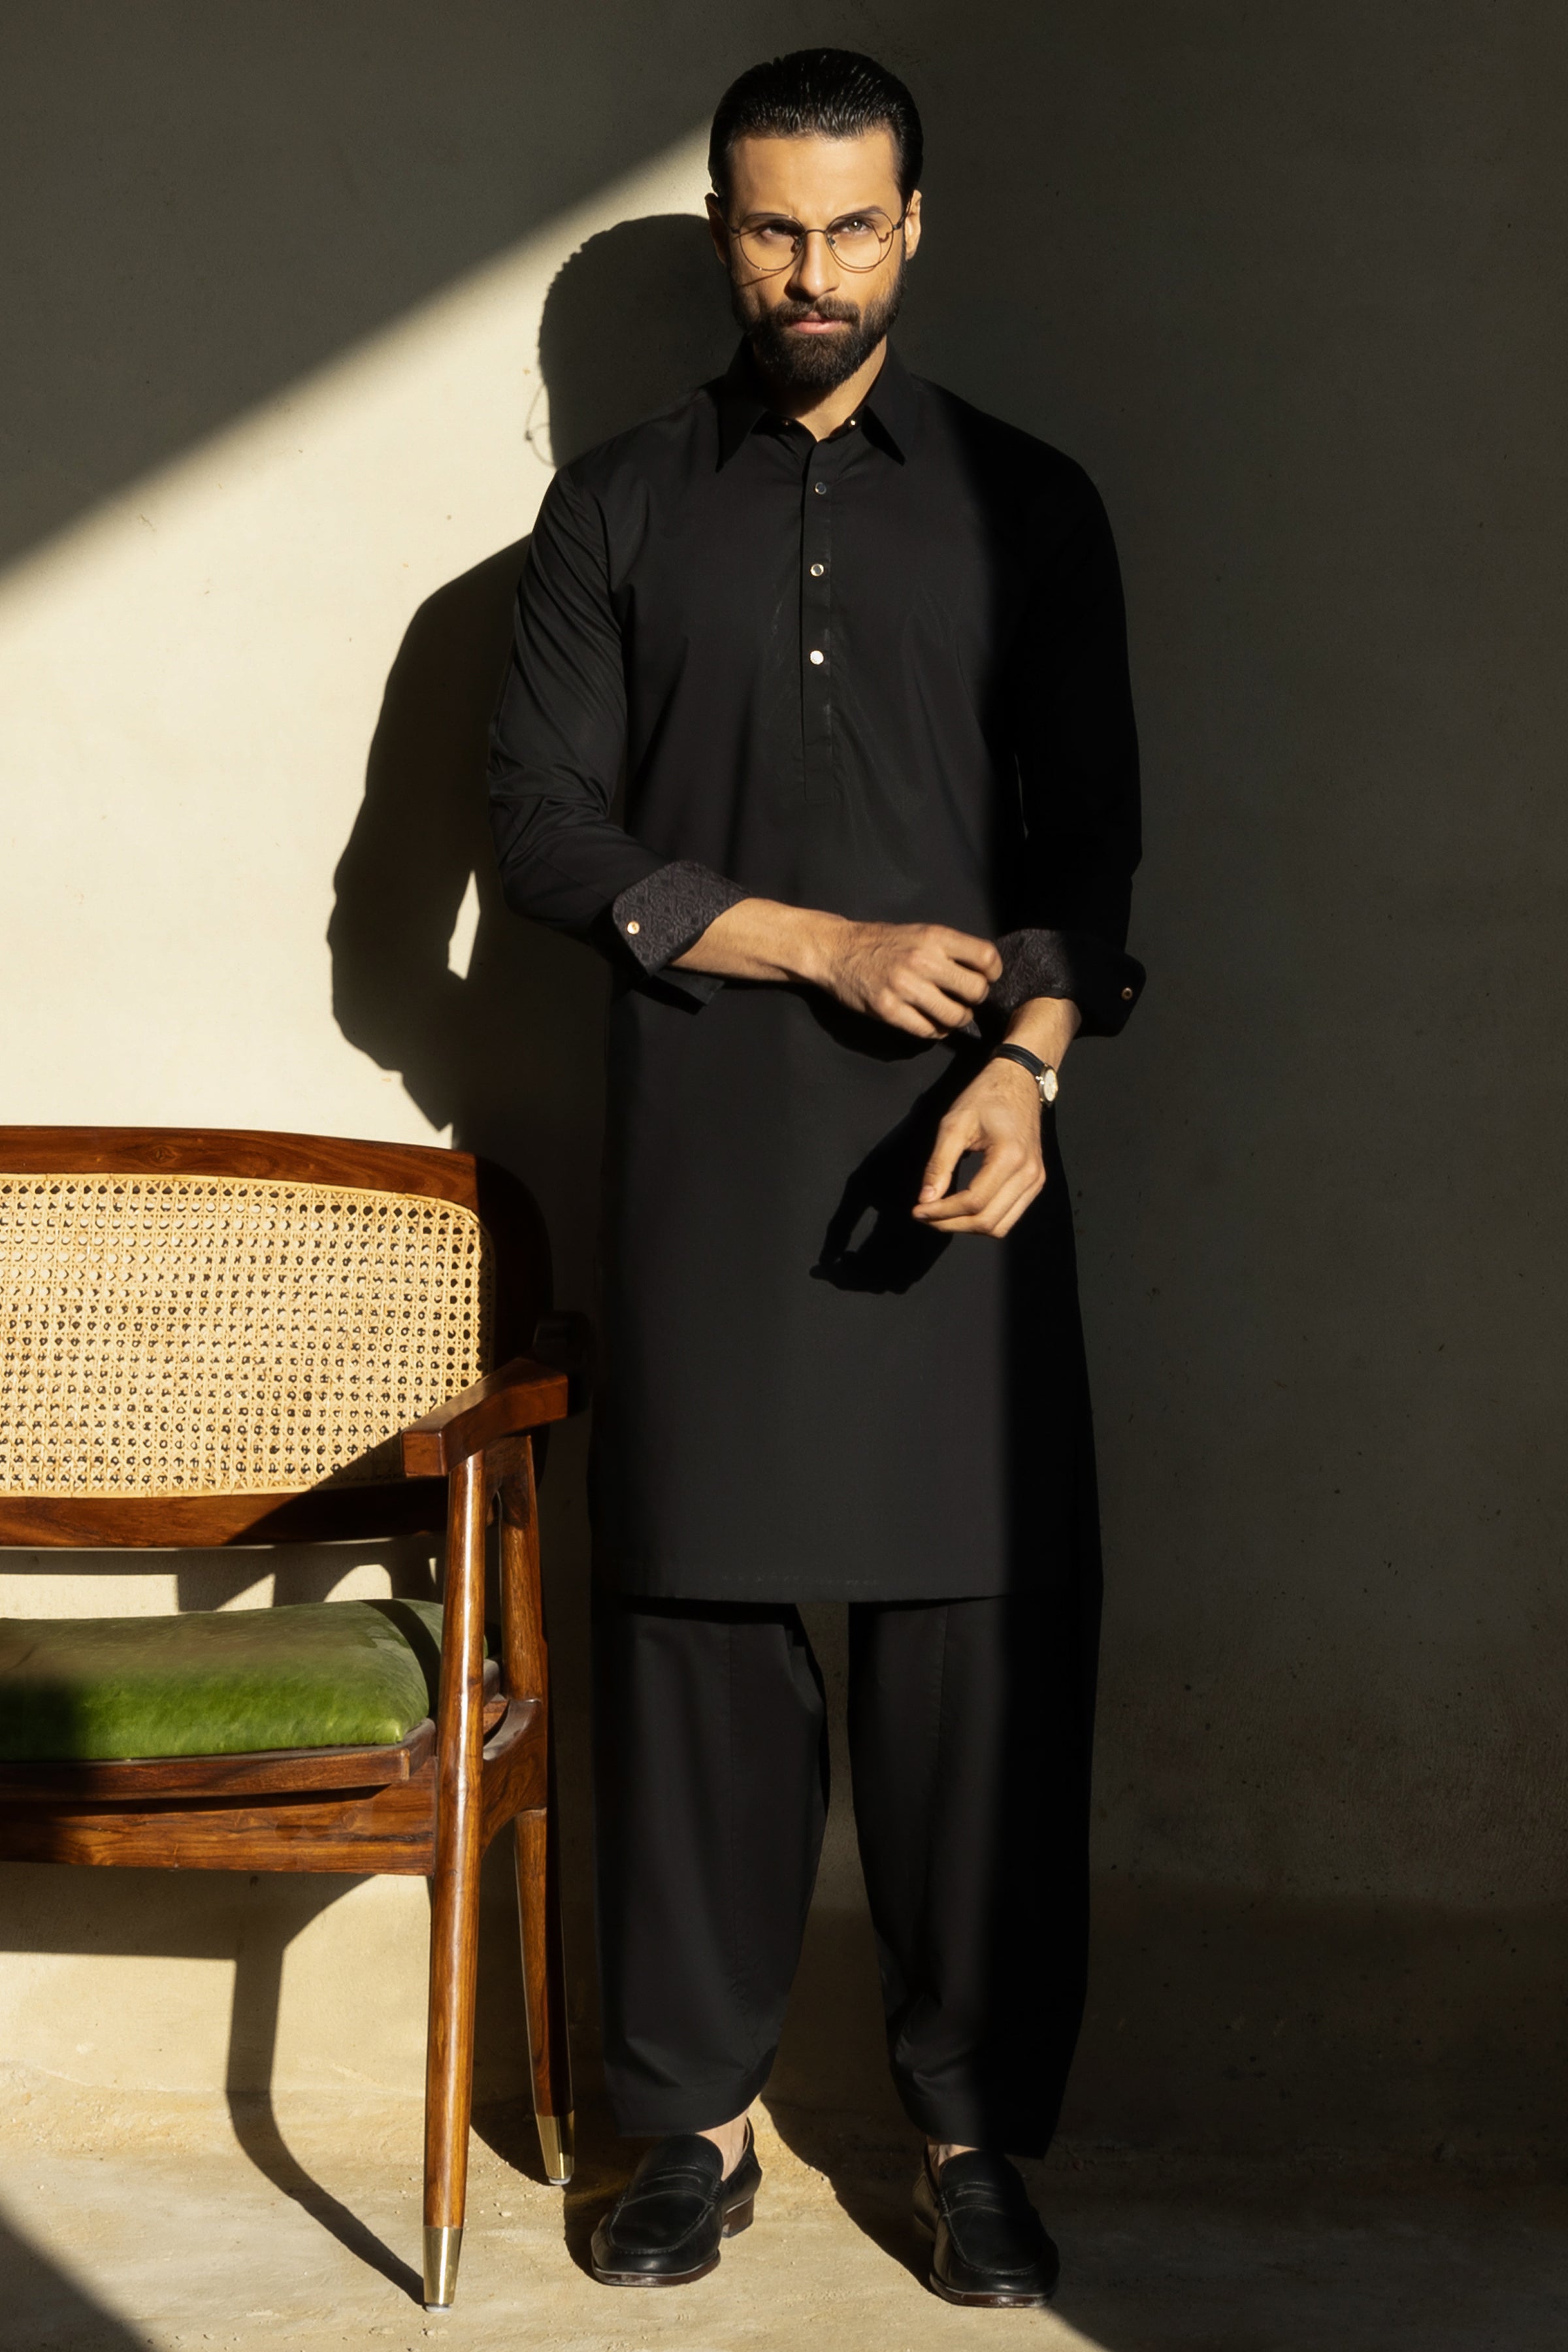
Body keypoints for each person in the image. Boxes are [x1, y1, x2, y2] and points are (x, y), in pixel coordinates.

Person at [489, 46, 1143, 2310]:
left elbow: (1091, 856)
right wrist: (815, 941)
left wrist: (1028, 1068)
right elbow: (543, 830)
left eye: (856, 227)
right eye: (775, 228)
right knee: (694, 1637)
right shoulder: (613, 511)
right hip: (707, 1153)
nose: (816, 271)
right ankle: (685, 2123)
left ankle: (973, 2139)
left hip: (969, 1150)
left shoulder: (1031, 503)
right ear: (722, 227)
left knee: (979, 1650)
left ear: (916, 226)